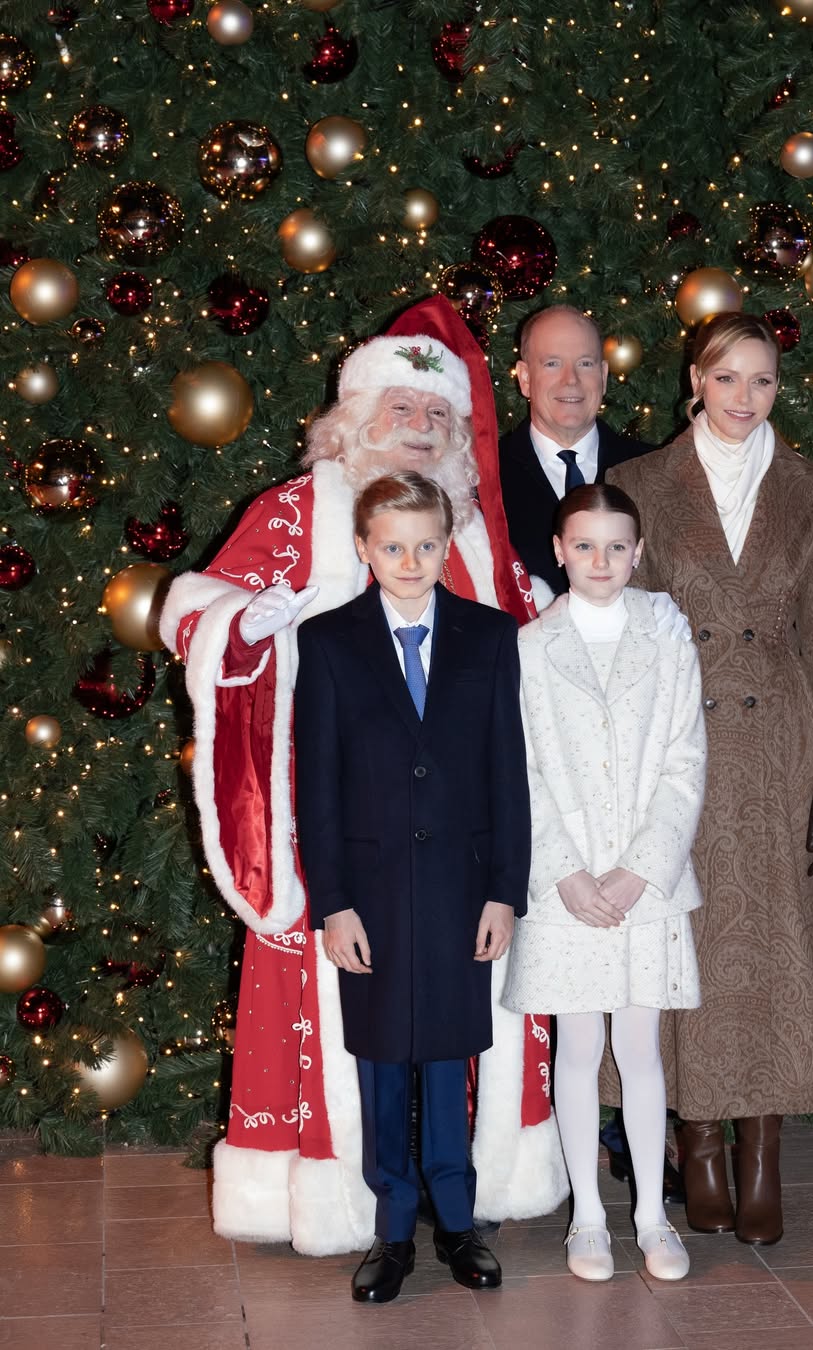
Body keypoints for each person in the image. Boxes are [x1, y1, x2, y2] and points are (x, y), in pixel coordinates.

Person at [158, 297, 567, 1257]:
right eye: (401, 411)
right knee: (356, 1034)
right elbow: (196, 611)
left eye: (438, 416)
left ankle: (461, 1196)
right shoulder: (297, 513)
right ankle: (354, 1200)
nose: (421, 431)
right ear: (353, 421)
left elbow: (523, 675)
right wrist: (247, 627)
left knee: (461, 1021)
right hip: (340, 834)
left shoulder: (471, 532)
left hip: (462, 849)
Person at [608, 312, 813, 1247]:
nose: (744, 398)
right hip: (675, 746)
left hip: (778, 745)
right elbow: (620, 639)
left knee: (777, 945)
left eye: (762, 380)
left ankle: (764, 1154)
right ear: (696, 381)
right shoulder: (638, 484)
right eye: (728, 379)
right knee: (686, 942)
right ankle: (698, 1145)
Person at [293, 472, 529, 1301]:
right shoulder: (327, 644)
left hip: (464, 890)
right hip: (374, 894)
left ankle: (458, 1222)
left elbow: (510, 773)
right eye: (392, 545)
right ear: (364, 549)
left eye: (425, 544)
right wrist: (334, 902)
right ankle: (392, 1230)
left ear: (446, 544)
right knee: (384, 1058)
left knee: (448, 1054)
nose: (409, 559)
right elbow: (316, 788)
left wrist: (506, 890)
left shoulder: (490, 637)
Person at [504, 483, 707, 1282]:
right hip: (568, 889)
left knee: (642, 1047)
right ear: (558, 551)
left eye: (616, 547)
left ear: (638, 551)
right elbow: (520, 771)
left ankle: (653, 1217)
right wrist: (566, 873)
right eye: (583, 546)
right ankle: (589, 1215)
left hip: (645, 883)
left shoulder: (666, 634)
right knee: (578, 1045)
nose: (600, 561)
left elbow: (686, 757)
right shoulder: (530, 648)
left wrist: (640, 868)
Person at [499, 306, 653, 597]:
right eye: (552, 364)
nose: (570, 380)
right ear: (525, 378)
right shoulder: (483, 479)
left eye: (584, 364)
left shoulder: (652, 468)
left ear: (604, 376)